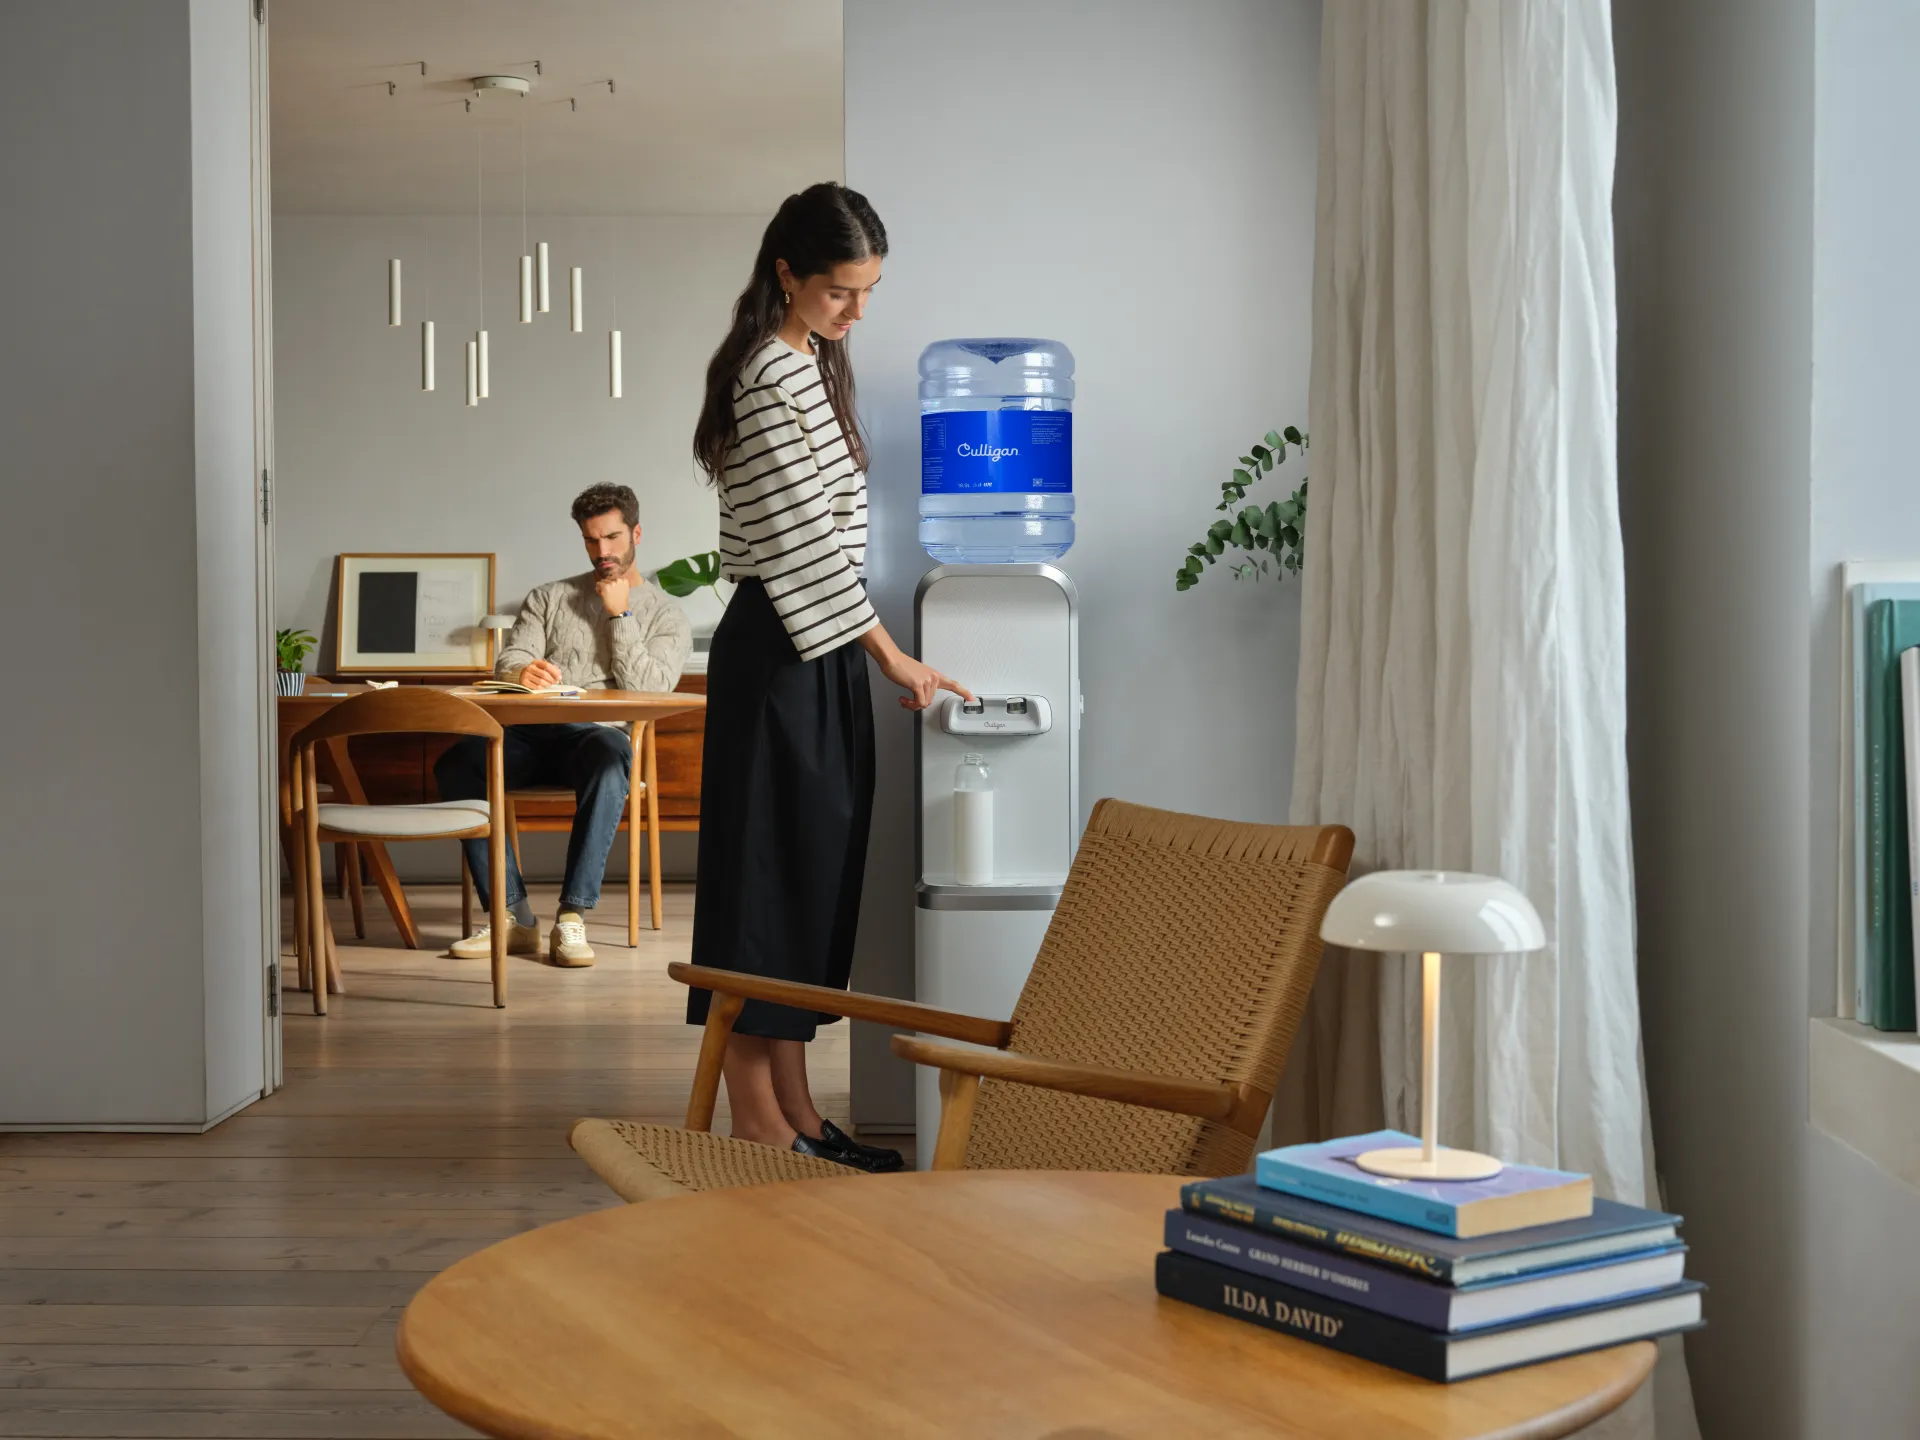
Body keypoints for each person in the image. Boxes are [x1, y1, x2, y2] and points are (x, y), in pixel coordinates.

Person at [687, 182, 971, 1173]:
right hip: (781, 651)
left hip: (818, 651)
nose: (857, 313)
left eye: (868, 293)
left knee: (810, 878)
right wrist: (892, 654)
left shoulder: (808, 365)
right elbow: (805, 541)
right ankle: (756, 1119)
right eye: (841, 293)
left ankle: (798, 1107)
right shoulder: (769, 374)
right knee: (764, 884)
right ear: (787, 276)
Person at [436, 483, 691, 969]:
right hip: (532, 733)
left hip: (597, 737)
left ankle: (571, 917)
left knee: (612, 755)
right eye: (592, 541)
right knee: (458, 764)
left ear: (636, 533)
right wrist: (520, 670)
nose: (603, 552)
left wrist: (621, 615)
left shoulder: (665, 614)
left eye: (613, 538)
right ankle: (513, 917)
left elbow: (647, 690)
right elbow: (510, 655)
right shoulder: (549, 597)